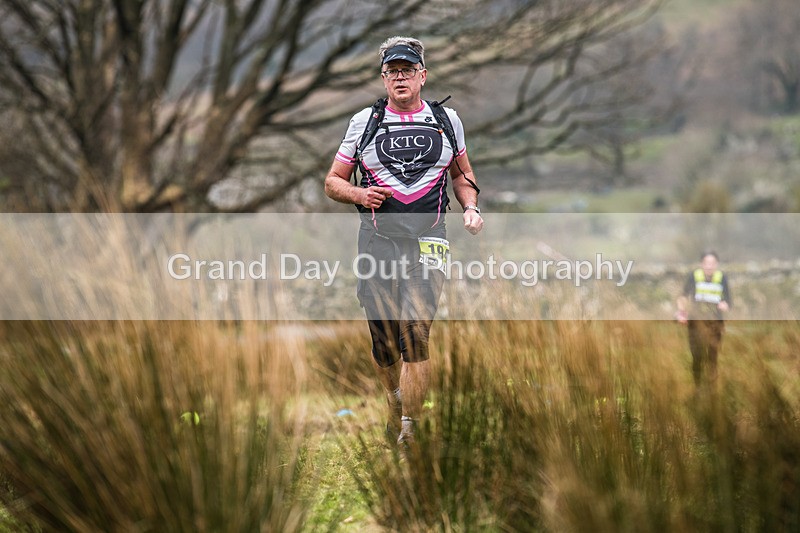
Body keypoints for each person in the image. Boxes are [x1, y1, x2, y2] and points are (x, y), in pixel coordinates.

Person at [324, 36, 483, 446]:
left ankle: (410, 429)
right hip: (377, 240)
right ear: (383, 78)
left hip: (430, 238)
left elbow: (462, 174)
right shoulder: (364, 122)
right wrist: (359, 194)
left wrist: (470, 207)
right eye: (392, 72)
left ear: (422, 76)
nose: (400, 78)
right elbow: (332, 182)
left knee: (416, 332)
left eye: (407, 70)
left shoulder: (447, 120)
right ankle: (395, 402)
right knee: (383, 340)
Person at [676, 251, 732, 385]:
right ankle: (698, 386)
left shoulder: (722, 277)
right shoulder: (694, 277)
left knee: (713, 357)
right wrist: (682, 312)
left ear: (716, 265)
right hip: (696, 323)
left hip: (715, 324)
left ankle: (712, 388)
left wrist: (726, 305)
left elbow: (729, 300)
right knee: (697, 356)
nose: (709, 266)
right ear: (702, 264)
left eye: (712, 263)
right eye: (706, 263)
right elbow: (683, 296)